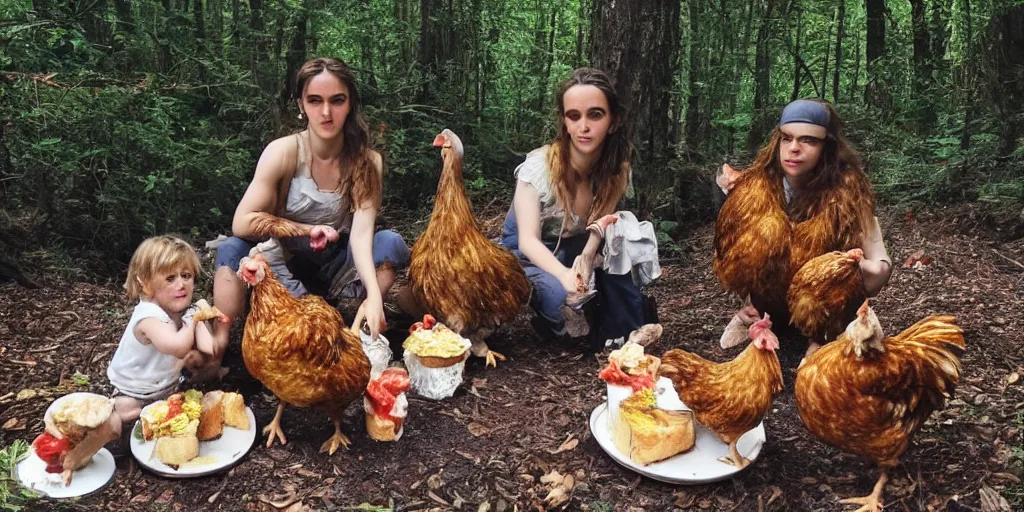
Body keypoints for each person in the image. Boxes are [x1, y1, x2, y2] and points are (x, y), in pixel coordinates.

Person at [211, 57, 409, 346]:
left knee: (390, 242)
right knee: (231, 248)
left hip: (338, 264)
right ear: (301, 105)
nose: (326, 112)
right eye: (315, 101)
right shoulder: (283, 152)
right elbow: (241, 222)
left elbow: (362, 234)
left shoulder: (367, 162)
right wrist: (305, 230)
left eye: (337, 100)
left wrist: (376, 296)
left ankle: (360, 323)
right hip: (283, 263)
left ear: (350, 102)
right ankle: (219, 345)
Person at [718, 98, 893, 356]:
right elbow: (734, 256)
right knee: (764, 234)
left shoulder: (848, 194)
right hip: (771, 301)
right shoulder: (752, 190)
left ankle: (823, 336)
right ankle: (755, 315)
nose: (794, 149)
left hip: (821, 305)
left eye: (808, 140)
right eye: (786, 138)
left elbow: (880, 268)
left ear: (827, 147)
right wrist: (747, 301)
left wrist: (851, 269)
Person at [501, 67, 656, 348]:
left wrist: (584, 261)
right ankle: (550, 315)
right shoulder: (539, 167)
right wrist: (564, 275)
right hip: (526, 257)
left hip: (576, 252)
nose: (583, 126)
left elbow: (600, 225)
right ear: (565, 122)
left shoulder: (616, 171)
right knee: (563, 302)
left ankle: (622, 325)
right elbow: (526, 241)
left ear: (613, 120)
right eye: (574, 116)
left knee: (615, 266)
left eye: (595, 115)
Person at [107, 235, 221, 424]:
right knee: (123, 418)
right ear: (145, 282)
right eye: (170, 278)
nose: (181, 285)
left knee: (178, 420)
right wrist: (195, 320)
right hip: (134, 391)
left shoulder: (188, 312)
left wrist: (202, 318)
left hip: (166, 388)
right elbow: (178, 347)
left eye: (186, 276)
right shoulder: (148, 316)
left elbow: (209, 348)